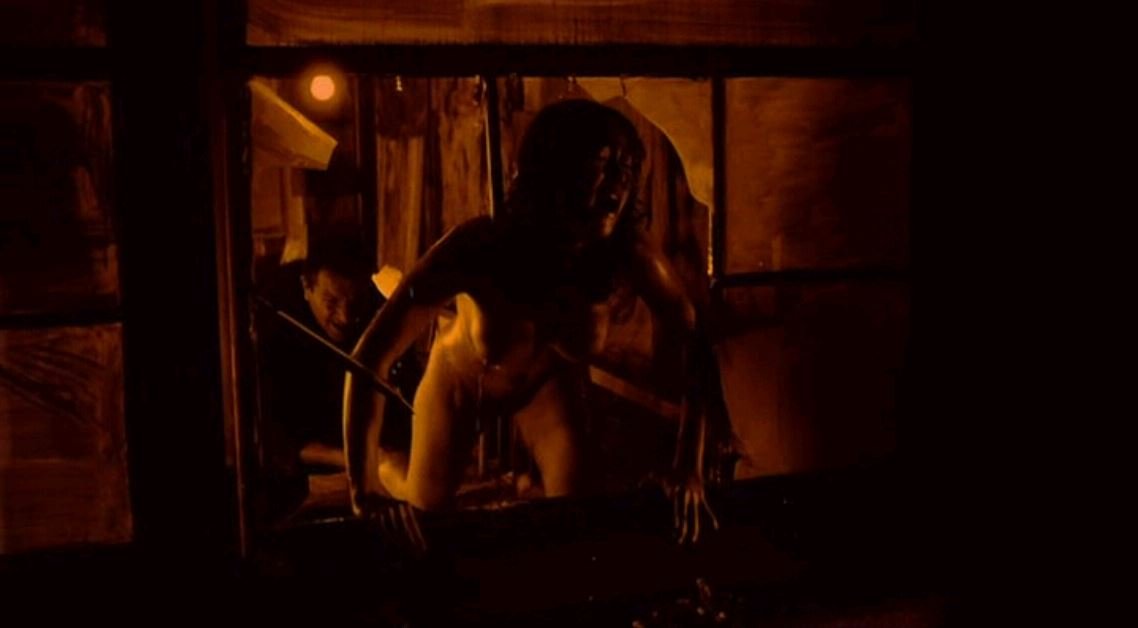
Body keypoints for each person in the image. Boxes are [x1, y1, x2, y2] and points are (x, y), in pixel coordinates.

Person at [345, 99, 722, 541]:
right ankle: (389, 464)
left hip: (548, 385)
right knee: (425, 515)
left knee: (579, 519)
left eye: (626, 169)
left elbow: (694, 339)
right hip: (463, 381)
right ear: (556, 169)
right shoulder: (482, 245)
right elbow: (369, 355)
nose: (616, 183)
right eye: (602, 164)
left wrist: (690, 463)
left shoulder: (628, 252)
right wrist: (364, 487)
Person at [256, 239, 417, 515]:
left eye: (355, 302)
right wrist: (364, 458)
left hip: (380, 473)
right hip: (301, 485)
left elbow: (408, 399)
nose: (345, 316)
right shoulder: (273, 330)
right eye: (331, 301)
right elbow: (276, 440)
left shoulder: (381, 315)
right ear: (307, 288)